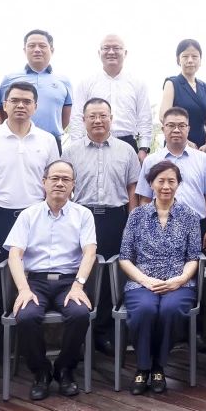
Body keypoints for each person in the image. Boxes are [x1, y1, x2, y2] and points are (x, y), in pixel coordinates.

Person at [0, 81, 60, 362]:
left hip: (36, 218)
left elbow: (53, 182)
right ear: (5, 105)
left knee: (34, 276)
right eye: (15, 100)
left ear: (35, 106)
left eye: (27, 101)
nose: (21, 105)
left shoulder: (47, 140)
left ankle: (28, 343)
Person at [4, 160, 97, 400]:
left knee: (79, 314)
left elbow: (90, 252)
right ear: (44, 182)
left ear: (73, 185)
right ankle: (41, 372)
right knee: (26, 316)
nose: (60, 183)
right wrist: (23, 289)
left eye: (66, 179)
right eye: (54, 178)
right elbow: (14, 254)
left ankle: (65, 369)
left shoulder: (83, 215)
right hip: (35, 282)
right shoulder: (28, 215)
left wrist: (78, 284)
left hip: (69, 281)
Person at [118, 160, 203, 395]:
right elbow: (125, 257)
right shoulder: (137, 215)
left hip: (179, 282)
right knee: (144, 310)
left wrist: (181, 279)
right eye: (161, 181)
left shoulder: (189, 216)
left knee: (171, 309)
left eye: (171, 181)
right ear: (151, 184)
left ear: (178, 184)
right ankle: (143, 367)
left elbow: (193, 257)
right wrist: (145, 280)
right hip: (142, 281)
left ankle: (158, 365)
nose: (166, 186)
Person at [63, 97, 139, 354]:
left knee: (110, 276)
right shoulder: (71, 151)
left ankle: (103, 333)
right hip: (81, 218)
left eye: (103, 116)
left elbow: (132, 188)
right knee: (81, 271)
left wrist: (131, 222)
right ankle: (79, 332)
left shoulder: (126, 150)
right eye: (92, 116)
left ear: (111, 119)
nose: (98, 121)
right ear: (83, 120)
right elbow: (64, 187)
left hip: (115, 218)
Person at [67, 34, 153, 161]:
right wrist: (76, 146)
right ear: (99, 53)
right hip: (94, 142)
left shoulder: (137, 83)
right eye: (106, 48)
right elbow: (77, 117)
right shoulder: (86, 83)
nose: (111, 52)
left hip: (127, 143)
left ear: (125, 53)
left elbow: (144, 117)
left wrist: (143, 148)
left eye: (116, 48)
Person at [137, 107, 206, 236]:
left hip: (197, 227)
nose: (176, 130)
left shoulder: (204, 160)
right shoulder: (151, 161)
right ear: (163, 129)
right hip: (159, 227)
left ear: (188, 129)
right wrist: (146, 229)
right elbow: (145, 199)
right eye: (171, 125)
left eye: (181, 126)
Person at [0, 29, 73, 142]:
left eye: (42, 46)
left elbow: (65, 117)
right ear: (25, 50)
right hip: (15, 139)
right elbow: (3, 111)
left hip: (52, 141)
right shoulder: (9, 79)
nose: (37, 50)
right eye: (31, 46)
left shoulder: (63, 81)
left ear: (52, 50)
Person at [160, 38, 206, 151]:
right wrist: (186, 142)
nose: (190, 60)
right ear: (178, 60)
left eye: (194, 56)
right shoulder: (172, 83)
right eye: (185, 56)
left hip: (201, 148)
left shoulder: (205, 87)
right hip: (177, 145)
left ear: (200, 60)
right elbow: (163, 117)